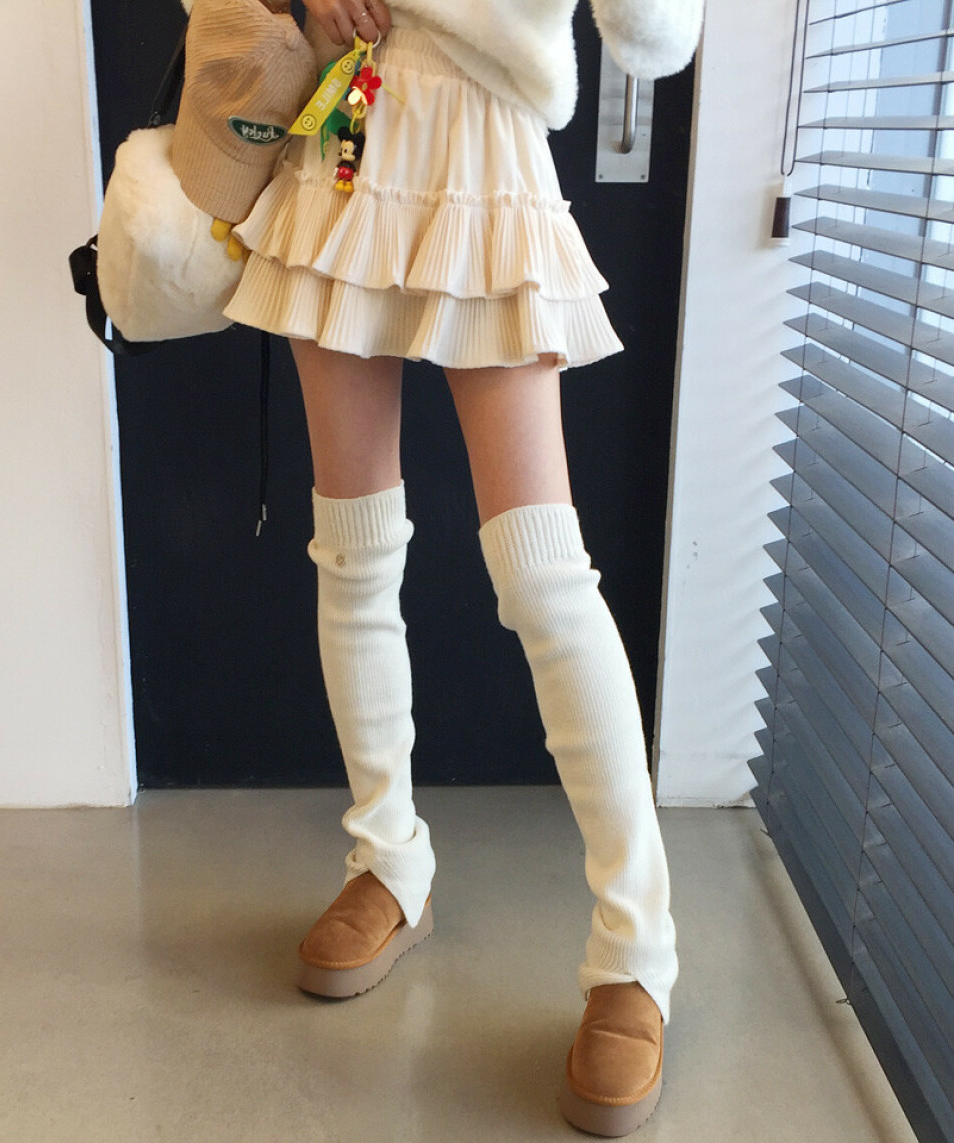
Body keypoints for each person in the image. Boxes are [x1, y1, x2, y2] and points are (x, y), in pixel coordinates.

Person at [220, 0, 703, 1134]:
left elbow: (658, 35)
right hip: (348, 128)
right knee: (351, 548)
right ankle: (388, 859)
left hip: (486, 145)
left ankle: (637, 952)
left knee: (544, 578)